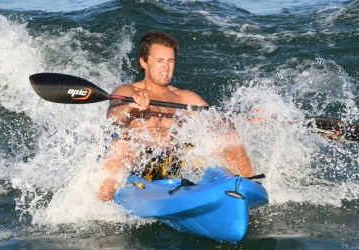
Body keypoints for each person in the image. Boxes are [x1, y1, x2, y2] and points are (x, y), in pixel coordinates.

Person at [97, 31, 253, 200]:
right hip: (141, 164)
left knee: (226, 132)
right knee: (122, 144)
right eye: (160, 61)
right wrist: (130, 106)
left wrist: (248, 118)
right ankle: (101, 204)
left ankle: (247, 188)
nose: (166, 67)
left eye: (170, 61)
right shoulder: (128, 92)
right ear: (144, 62)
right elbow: (113, 119)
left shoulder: (185, 97)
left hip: (177, 161)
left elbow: (217, 119)